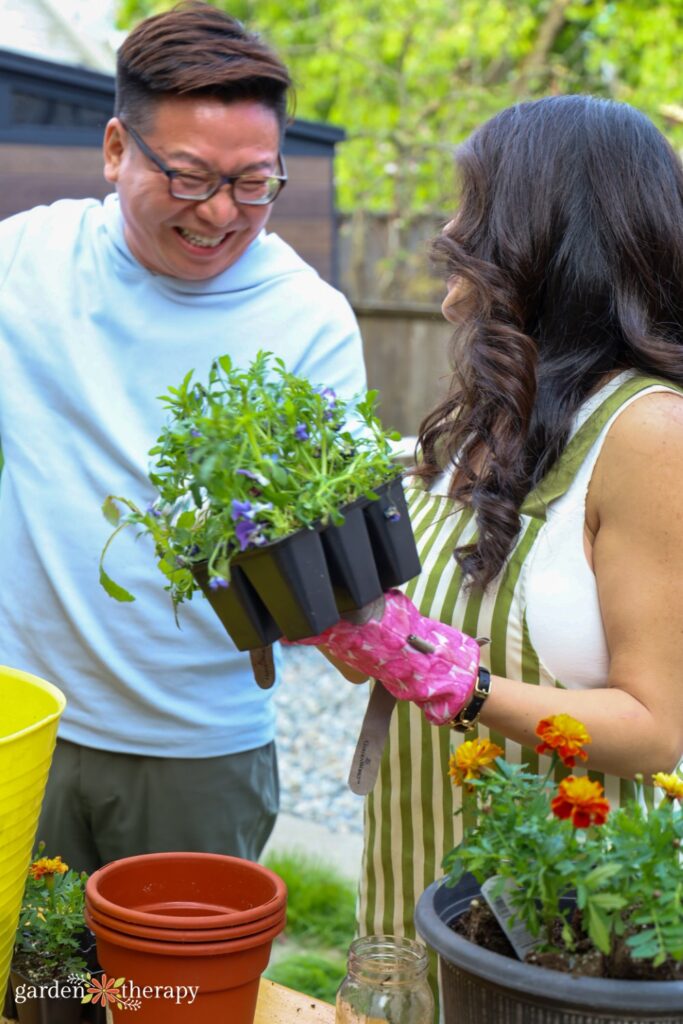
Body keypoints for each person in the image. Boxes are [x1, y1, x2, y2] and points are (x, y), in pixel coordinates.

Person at [292, 95, 683, 946]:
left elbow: (656, 727)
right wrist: (346, 626)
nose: (451, 231)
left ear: (543, 233)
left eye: (474, 206)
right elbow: (401, 657)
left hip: (558, 922)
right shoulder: (492, 412)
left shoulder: (647, 432)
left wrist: (456, 682)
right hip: (410, 881)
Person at [0, 1, 366, 873]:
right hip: (25, 716)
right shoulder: (25, 263)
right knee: (29, 996)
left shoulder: (308, 322)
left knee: (168, 1002)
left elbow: (335, 553)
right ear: (118, 148)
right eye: (192, 177)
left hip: (201, 745)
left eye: (255, 183)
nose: (222, 214)